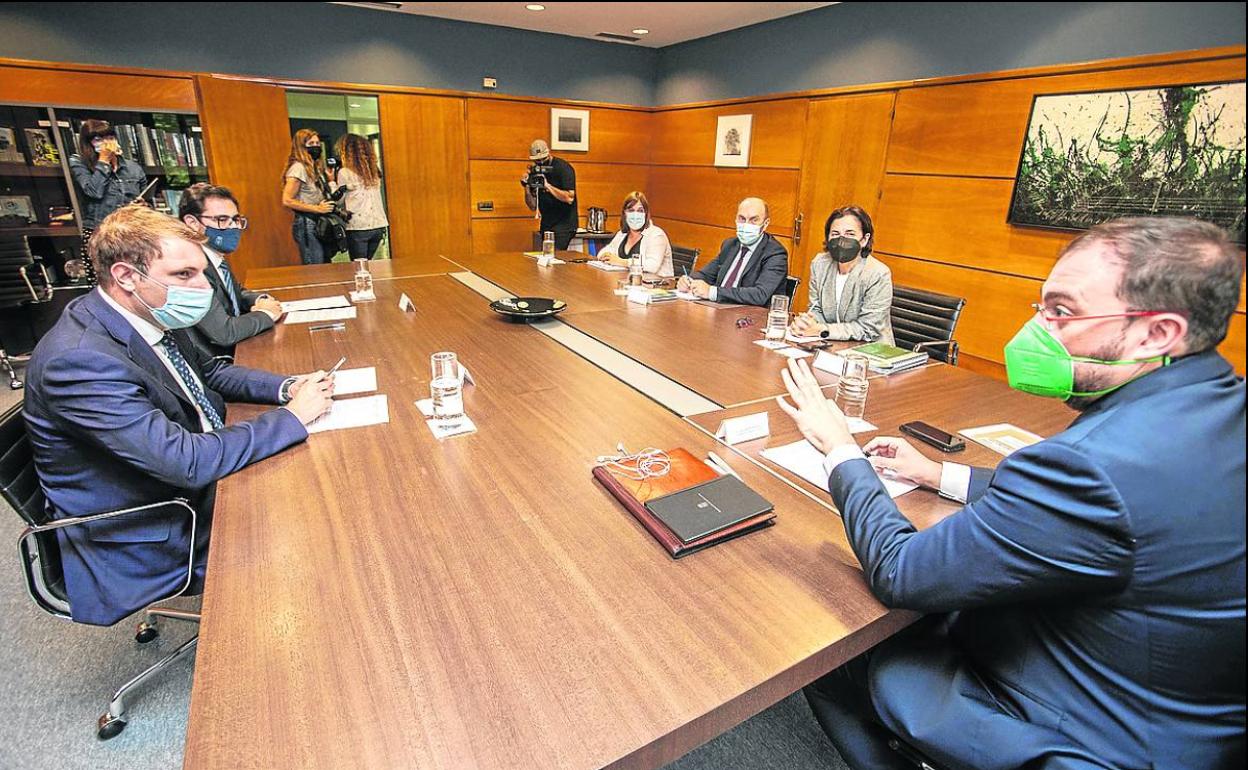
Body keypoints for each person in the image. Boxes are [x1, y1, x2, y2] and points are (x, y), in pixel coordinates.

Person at [775, 217, 1245, 769]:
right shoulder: (1215, 406)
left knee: (833, 650)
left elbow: (901, 570)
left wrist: (839, 448)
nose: (1038, 331)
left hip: (1090, 735)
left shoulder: (1091, 465)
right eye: (1041, 307)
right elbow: (1100, 507)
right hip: (1189, 714)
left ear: (1157, 333)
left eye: (1063, 313)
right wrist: (938, 475)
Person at [22, 206, 335, 627]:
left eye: (202, 273)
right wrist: (292, 418)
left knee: (322, 482)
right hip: (149, 528)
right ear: (126, 276)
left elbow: (210, 371)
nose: (202, 287)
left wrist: (287, 388)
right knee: (325, 524)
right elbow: (185, 462)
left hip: (181, 482)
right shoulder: (79, 361)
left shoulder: (142, 312)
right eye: (184, 275)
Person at [178, 183, 284, 359]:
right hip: (218, 362)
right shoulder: (190, 269)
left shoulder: (214, 256)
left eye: (235, 219)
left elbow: (235, 292)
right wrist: (267, 313)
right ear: (192, 223)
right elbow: (225, 332)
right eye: (222, 220)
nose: (233, 227)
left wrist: (260, 299)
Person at [790, 205, 894, 344]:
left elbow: (868, 328)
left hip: (870, 351)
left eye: (850, 234)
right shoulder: (820, 264)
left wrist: (821, 330)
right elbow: (816, 309)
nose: (841, 240)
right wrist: (807, 323)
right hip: (832, 345)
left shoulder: (877, 273)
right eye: (835, 234)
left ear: (864, 239)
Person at [677, 197, 788, 306]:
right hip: (717, 310)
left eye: (754, 220)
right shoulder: (730, 245)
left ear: (765, 224)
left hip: (749, 318)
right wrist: (689, 281)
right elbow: (706, 274)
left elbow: (760, 294)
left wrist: (712, 292)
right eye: (742, 218)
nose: (746, 225)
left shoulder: (775, 253)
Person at [67, 119, 149, 231]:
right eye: (99, 139)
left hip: (129, 229)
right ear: (89, 143)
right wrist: (104, 160)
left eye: (111, 138)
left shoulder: (133, 167)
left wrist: (142, 205)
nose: (107, 144)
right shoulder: (79, 162)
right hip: (99, 230)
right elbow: (94, 192)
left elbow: (145, 196)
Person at [282, 128, 336, 264]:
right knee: (315, 267)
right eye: (311, 144)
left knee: (325, 264)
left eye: (317, 143)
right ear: (301, 146)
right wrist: (318, 209)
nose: (316, 147)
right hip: (307, 222)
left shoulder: (315, 167)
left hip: (319, 222)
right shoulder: (298, 168)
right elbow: (287, 200)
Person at [332, 133, 389, 261]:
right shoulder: (374, 171)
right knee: (367, 264)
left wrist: (331, 182)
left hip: (358, 226)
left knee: (359, 267)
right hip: (378, 225)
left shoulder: (344, 172)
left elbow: (339, 201)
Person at [596, 191, 673, 277]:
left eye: (640, 211)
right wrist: (605, 255)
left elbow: (652, 266)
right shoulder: (622, 234)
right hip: (629, 283)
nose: (635, 214)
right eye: (631, 210)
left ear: (646, 213)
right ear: (624, 213)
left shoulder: (656, 235)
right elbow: (604, 251)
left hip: (657, 286)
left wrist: (621, 262)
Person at [521, 139, 577, 250]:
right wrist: (527, 187)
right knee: (545, 258)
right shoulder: (535, 171)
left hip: (564, 224)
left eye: (543, 159)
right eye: (537, 161)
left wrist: (547, 186)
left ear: (549, 154)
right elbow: (532, 206)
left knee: (554, 257)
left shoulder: (563, 168)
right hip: (546, 223)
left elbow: (569, 198)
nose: (541, 163)